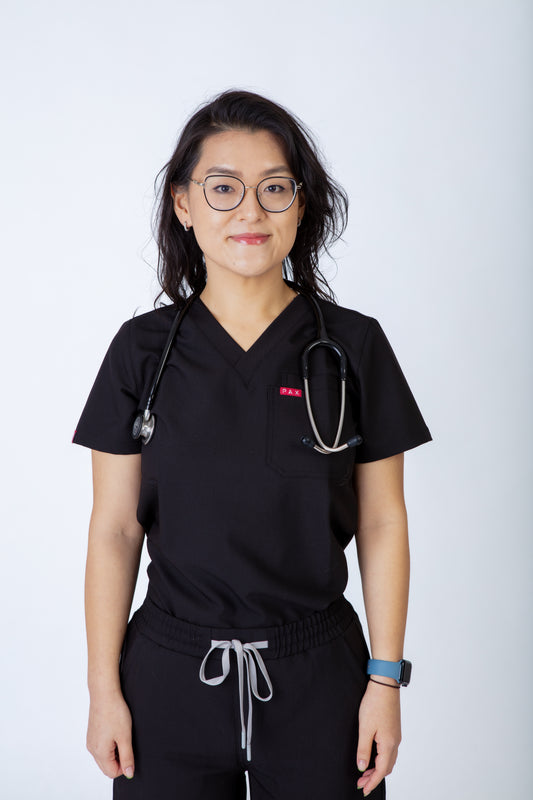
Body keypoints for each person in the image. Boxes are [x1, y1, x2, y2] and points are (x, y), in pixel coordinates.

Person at [72, 89, 432, 799]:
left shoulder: (352, 346)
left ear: (301, 206)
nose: (250, 211)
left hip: (320, 678)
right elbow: (115, 530)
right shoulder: (141, 352)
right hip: (169, 677)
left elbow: (383, 521)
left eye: (274, 189)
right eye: (223, 188)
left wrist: (384, 680)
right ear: (183, 204)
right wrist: (102, 688)